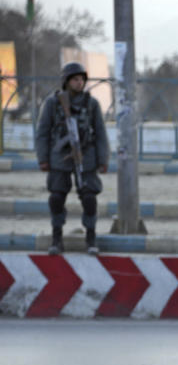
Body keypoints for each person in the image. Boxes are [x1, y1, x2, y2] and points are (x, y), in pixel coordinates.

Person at [35, 62, 109, 255]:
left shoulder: (91, 104)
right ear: (66, 81)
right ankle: (57, 236)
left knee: (89, 197)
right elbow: (42, 132)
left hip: (86, 156)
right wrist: (43, 158)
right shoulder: (53, 103)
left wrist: (103, 159)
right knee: (57, 197)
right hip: (60, 156)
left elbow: (100, 133)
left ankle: (91, 236)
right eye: (75, 79)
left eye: (82, 79)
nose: (80, 83)